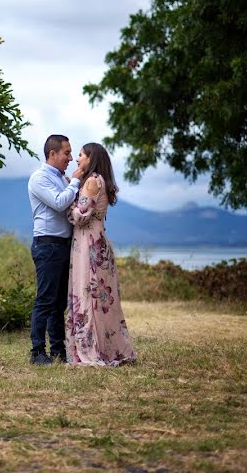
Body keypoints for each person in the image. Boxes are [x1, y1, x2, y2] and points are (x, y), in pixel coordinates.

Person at [65, 142, 137, 366]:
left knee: (88, 295)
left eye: (80, 155)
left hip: (88, 245)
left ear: (91, 158)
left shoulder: (91, 181)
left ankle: (92, 351)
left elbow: (79, 216)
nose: (77, 159)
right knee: (99, 299)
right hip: (95, 242)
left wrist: (65, 202)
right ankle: (108, 348)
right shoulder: (99, 180)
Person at [27, 134, 84, 365]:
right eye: (67, 153)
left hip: (63, 245)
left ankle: (59, 350)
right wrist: (76, 181)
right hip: (47, 244)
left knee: (59, 303)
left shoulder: (62, 177)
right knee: (45, 300)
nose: (70, 158)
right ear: (52, 154)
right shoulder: (39, 178)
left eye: (71, 153)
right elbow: (61, 203)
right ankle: (37, 352)